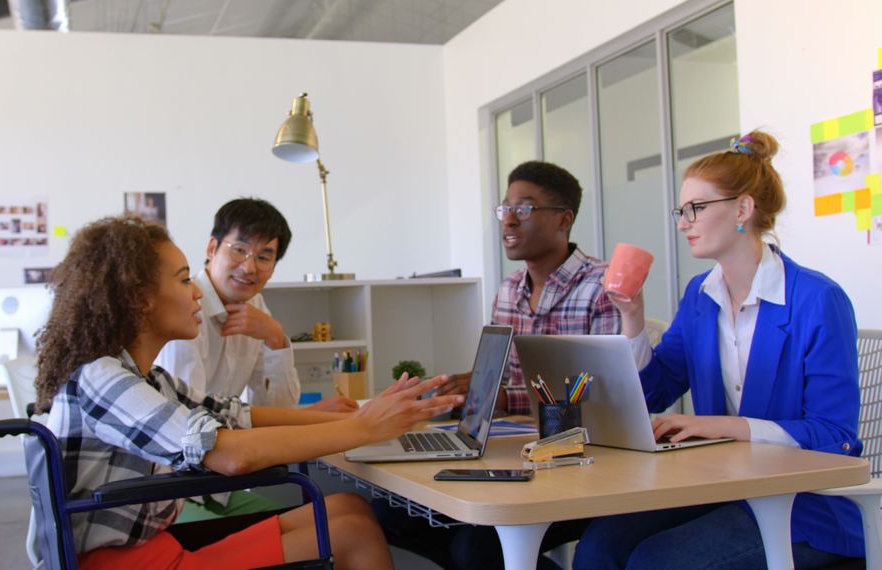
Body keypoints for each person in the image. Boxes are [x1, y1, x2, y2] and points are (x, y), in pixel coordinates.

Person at [33, 215, 463, 569]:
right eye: (185, 281)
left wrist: (358, 418)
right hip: (126, 562)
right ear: (140, 298)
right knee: (352, 532)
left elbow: (240, 415)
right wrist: (366, 428)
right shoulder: (104, 378)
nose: (197, 291)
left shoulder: (145, 377)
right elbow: (231, 453)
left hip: (151, 542)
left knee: (348, 506)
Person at [573, 131, 864, 569]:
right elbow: (653, 393)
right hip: (721, 486)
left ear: (742, 209)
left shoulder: (816, 299)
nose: (682, 222)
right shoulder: (700, 295)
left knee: (656, 561)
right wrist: (632, 318)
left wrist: (722, 426)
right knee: (600, 546)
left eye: (696, 208)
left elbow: (835, 437)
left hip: (802, 504)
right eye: (681, 210)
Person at [377, 161, 620, 570]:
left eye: (524, 209)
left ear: (564, 219)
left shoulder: (602, 287)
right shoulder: (509, 290)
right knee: (389, 515)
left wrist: (505, 398)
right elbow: (508, 381)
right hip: (520, 455)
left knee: (476, 549)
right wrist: (472, 390)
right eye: (504, 208)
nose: (507, 219)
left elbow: (604, 397)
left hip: (585, 463)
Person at [157, 198, 356, 412]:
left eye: (263, 257)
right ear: (212, 247)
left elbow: (280, 407)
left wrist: (276, 338)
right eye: (239, 250)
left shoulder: (255, 304)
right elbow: (188, 418)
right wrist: (312, 415)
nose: (249, 268)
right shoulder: (184, 308)